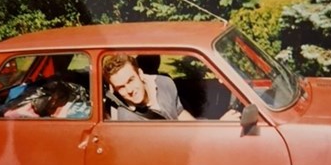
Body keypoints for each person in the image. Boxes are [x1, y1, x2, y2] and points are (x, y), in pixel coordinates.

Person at [102, 53, 240, 121]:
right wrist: (215, 130)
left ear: (140, 73)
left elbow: (181, 116)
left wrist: (217, 126)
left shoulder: (164, 83)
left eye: (131, 80)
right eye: (121, 87)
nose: (130, 90)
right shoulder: (127, 118)